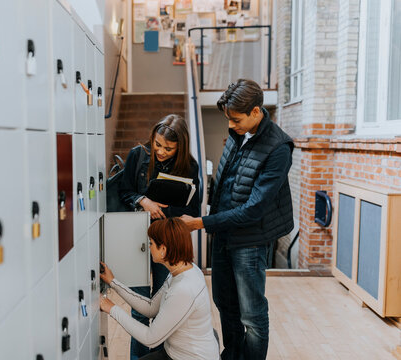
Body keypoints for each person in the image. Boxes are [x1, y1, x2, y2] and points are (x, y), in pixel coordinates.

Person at [180, 79, 294, 360]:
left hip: (250, 241)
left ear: (256, 111)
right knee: (224, 304)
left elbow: (255, 208)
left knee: (252, 315)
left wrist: (201, 223)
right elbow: (225, 183)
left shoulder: (278, 148)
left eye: (236, 119)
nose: (230, 125)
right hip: (224, 234)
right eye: (228, 119)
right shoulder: (237, 133)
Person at [118, 114, 200, 359]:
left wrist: (166, 209)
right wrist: (143, 200)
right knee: (139, 310)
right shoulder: (138, 154)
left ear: (180, 147)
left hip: (168, 243)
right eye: (157, 144)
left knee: (164, 308)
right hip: (136, 239)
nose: (161, 151)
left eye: (168, 148)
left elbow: (193, 211)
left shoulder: (190, 166)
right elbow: (124, 191)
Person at [99, 218, 219, 360]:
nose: (148, 247)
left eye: (151, 243)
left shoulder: (184, 289)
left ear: (163, 249)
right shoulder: (182, 271)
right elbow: (151, 308)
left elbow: (151, 338)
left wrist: (112, 308)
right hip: (174, 353)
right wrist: (113, 282)